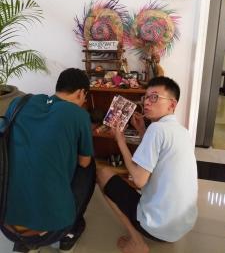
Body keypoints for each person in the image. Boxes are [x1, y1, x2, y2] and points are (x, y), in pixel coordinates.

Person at [97, 76, 198, 253]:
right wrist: (142, 130)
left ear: (172, 105)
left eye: (155, 97)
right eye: (146, 97)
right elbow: (156, 159)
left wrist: (120, 140)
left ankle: (137, 241)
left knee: (103, 173)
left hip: (159, 228)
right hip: (182, 226)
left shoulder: (157, 129)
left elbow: (139, 180)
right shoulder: (182, 131)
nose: (147, 103)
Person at [1, 68, 96, 253]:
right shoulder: (79, 115)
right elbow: (83, 162)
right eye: (85, 98)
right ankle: (69, 233)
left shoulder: (19, 101)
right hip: (53, 228)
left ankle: (24, 243)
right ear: (81, 93)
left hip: (5, 221)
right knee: (89, 164)